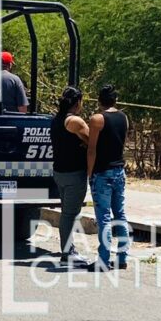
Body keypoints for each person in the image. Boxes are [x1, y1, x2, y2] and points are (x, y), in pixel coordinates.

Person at [86, 84, 130, 270]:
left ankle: (103, 259)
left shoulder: (97, 119)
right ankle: (122, 257)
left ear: (99, 100)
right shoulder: (123, 117)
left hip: (102, 172)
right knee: (120, 213)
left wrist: (90, 172)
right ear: (115, 100)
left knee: (103, 216)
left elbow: (92, 149)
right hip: (119, 169)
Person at [50, 86, 90, 267]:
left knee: (67, 212)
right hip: (74, 173)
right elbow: (92, 141)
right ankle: (67, 252)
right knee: (70, 214)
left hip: (59, 171)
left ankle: (68, 250)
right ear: (77, 102)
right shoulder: (75, 122)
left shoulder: (56, 120)